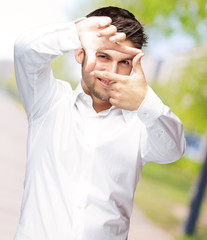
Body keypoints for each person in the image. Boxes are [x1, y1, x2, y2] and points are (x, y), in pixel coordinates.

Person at [14, 6, 185, 240]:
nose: (111, 72)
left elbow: (173, 150)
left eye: (125, 62)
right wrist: (76, 32)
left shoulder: (140, 123)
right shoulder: (48, 101)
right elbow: (26, 50)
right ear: (79, 53)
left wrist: (145, 102)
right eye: (103, 56)